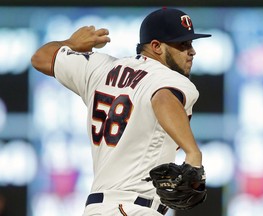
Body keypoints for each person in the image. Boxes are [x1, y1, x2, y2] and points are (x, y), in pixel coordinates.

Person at [31, 7, 211, 216]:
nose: (191, 50)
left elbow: (40, 58)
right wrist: (193, 153)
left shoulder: (100, 68)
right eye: (182, 43)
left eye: (190, 43)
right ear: (156, 46)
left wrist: (70, 44)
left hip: (97, 208)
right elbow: (163, 99)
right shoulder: (170, 79)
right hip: (134, 208)